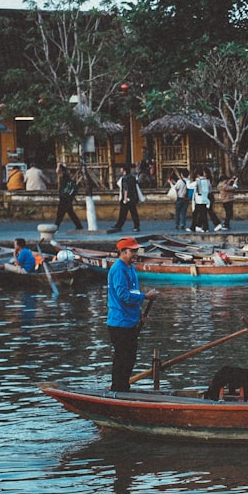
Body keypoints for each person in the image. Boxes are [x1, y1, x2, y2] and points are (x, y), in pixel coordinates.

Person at [107, 237, 159, 392]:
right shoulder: (118, 269)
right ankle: (118, 389)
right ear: (123, 252)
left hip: (130, 320)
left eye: (136, 250)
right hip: (119, 322)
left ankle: (124, 387)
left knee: (130, 358)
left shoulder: (131, 268)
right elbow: (123, 295)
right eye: (133, 251)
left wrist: (140, 314)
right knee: (122, 358)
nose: (136, 254)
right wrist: (146, 297)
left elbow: (133, 293)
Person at [112, 165, 141, 233]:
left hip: (126, 198)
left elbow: (125, 189)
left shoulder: (124, 178)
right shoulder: (132, 177)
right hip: (133, 197)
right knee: (134, 213)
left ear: (124, 170)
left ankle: (119, 225)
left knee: (123, 213)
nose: (120, 170)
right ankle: (137, 226)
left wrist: (125, 198)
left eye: (121, 168)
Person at [54, 164, 82, 231]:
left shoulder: (65, 177)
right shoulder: (67, 178)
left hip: (64, 199)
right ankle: (79, 226)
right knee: (71, 214)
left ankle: (55, 228)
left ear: (62, 171)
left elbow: (57, 171)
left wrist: (58, 165)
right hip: (67, 199)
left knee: (60, 215)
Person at [187, 168, 212, 233]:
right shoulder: (207, 181)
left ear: (197, 175)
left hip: (199, 200)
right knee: (204, 214)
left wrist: (188, 180)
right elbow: (210, 190)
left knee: (196, 214)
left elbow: (189, 186)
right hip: (205, 199)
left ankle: (193, 227)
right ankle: (205, 228)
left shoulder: (197, 181)